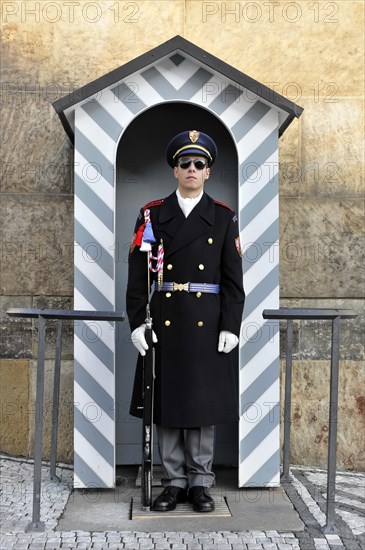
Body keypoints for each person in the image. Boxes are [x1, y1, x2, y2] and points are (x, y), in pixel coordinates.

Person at [126, 130, 245, 513]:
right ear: (174, 170)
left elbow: (232, 281)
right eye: (185, 164)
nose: (192, 169)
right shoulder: (152, 215)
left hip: (207, 325)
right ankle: (173, 483)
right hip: (164, 321)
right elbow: (137, 276)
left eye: (199, 164)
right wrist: (135, 323)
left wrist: (231, 325)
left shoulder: (224, 218)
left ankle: (200, 483)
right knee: (167, 403)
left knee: (202, 405)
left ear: (208, 172)